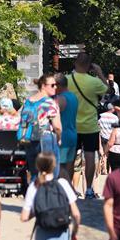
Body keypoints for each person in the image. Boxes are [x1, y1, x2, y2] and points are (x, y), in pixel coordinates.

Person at [66, 52, 108, 198]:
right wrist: (99, 72)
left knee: (71, 158)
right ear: (89, 66)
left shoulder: (67, 80)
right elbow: (108, 90)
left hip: (72, 125)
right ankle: (89, 189)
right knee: (90, 157)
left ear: (75, 63)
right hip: (90, 126)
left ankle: (69, 188)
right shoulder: (94, 82)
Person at [17, 74, 62, 179]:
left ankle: (35, 189)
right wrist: (59, 138)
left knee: (34, 173)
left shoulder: (28, 102)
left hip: (29, 139)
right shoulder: (50, 102)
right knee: (50, 174)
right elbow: (57, 127)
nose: (55, 87)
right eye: (52, 85)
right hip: (46, 139)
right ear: (43, 86)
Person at [54, 74, 78, 182]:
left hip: (62, 137)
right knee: (69, 166)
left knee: (60, 166)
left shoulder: (60, 99)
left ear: (58, 85)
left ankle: (64, 187)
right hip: (73, 134)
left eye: (54, 85)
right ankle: (67, 186)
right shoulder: (73, 97)